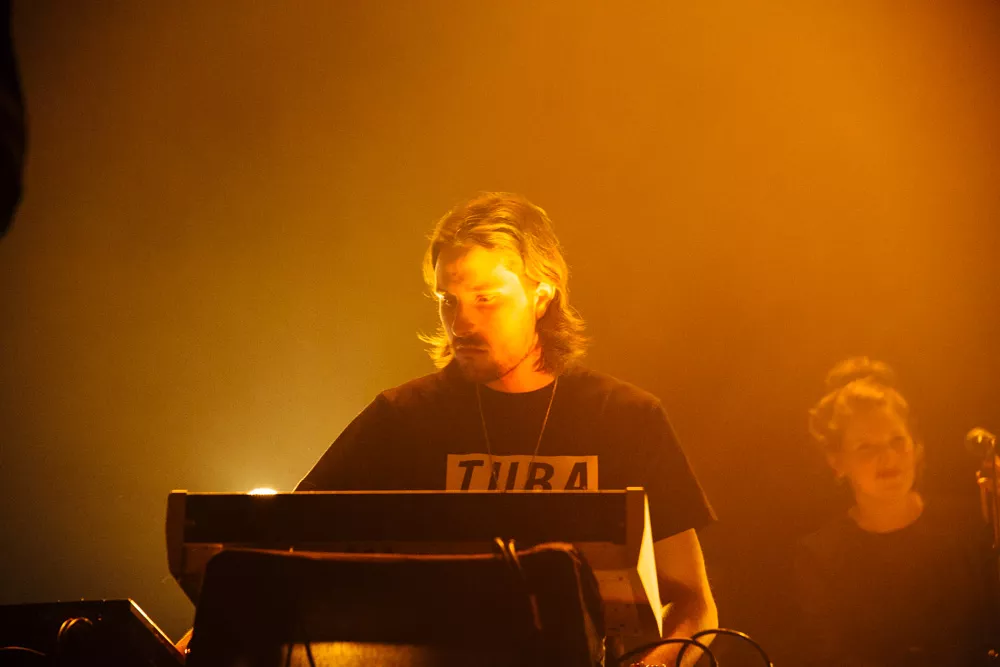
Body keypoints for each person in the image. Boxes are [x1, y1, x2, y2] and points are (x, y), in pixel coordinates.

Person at [296, 191, 718, 666]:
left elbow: (693, 604)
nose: (461, 323)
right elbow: (282, 547)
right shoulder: (400, 419)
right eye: (448, 301)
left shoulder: (626, 419)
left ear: (542, 295)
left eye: (486, 299)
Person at [795, 357, 995, 667]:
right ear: (837, 461)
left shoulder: (969, 525)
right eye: (866, 447)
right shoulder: (821, 557)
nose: (888, 457)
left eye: (896, 440)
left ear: (917, 447)